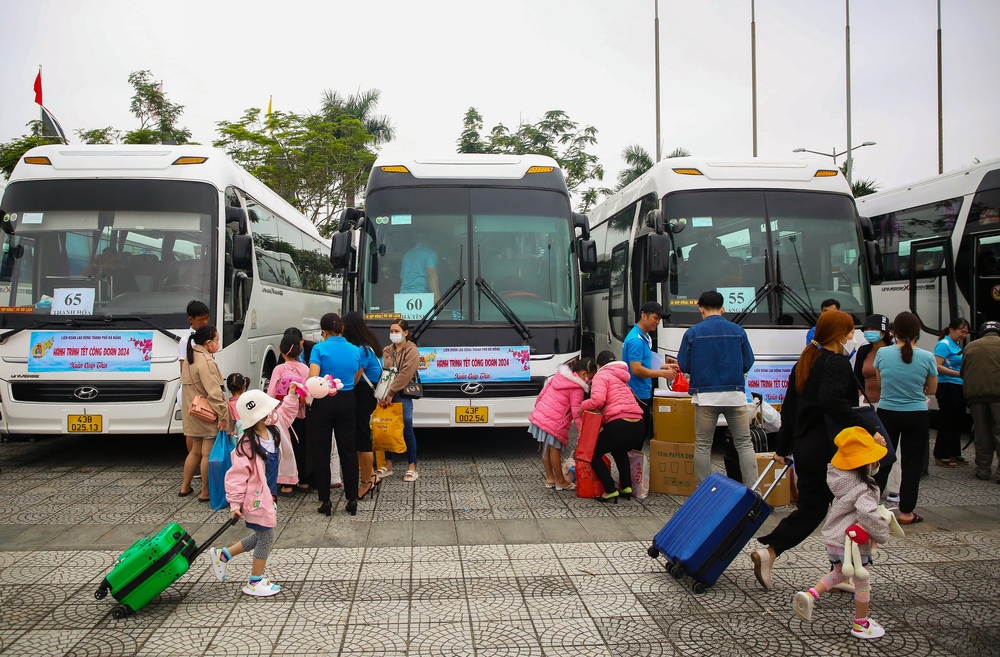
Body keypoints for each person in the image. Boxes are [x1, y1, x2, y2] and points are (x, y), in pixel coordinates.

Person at [751, 310, 884, 590]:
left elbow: (789, 408)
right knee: (843, 511)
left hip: (807, 447)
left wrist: (783, 447)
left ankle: (779, 554)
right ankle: (835, 570)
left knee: (817, 508)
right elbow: (834, 403)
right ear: (838, 334)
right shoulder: (835, 363)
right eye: (849, 331)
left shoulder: (806, 361)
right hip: (833, 450)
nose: (853, 335)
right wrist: (871, 431)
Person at [791, 426, 892, 640]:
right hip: (852, 543)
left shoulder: (840, 480)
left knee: (838, 573)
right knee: (862, 582)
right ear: (867, 462)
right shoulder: (866, 487)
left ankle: (811, 595)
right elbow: (867, 514)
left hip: (832, 539)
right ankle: (861, 624)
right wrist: (882, 531)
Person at [208, 390, 285, 597]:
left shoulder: (272, 433)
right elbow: (236, 477)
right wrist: (234, 504)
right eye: (267, 409)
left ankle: (223, 555)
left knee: (260, 535)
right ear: (258, 415)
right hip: (255, 500)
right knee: (266, 538)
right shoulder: (246, 445)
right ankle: (254, 581)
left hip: (268, 497)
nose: (272, 412)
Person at [677, 290, 757, 487]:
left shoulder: (692, 333)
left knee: (704, 445)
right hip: (735, 396)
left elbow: (684, 365)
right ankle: (754, 491)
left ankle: (703, 491)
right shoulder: (738, 331)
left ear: (701, 308)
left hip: (705, 398)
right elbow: (748, 361)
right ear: (723, 308)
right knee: (744, 443)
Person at [872, 312, 937, 525]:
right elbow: (932, 389)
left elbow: (881, 385)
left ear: (893, 332)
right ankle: (907, 512)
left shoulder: (882, 353)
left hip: (888, 413)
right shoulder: (927, 357)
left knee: (883, 460)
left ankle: (871, 508)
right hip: (916, 415)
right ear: (918, 332)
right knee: (912, 464)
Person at [307, 313, 361, 516]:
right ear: (342, 328)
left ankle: (325, 501)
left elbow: (313, 379)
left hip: (323, 402)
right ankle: (352, 498)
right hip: (347, 400)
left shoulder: (319, 349)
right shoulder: (355, 350)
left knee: (321, 451)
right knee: (348, 449)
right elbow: (355, 379)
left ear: (323, 331)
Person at [580, 351, 645, 503]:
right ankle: (626, 487)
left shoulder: (601, 376)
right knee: (619, 450)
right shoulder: (621, 377)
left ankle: (610, 490)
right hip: (638, 425)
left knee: (593, 454)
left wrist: (582, 406)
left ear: (599, 366)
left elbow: (597, 401)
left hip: (620, 424)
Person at [528, 357, 597, 491]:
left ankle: (550, 478)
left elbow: (542, 393)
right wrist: (582, 432)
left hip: (543, 414)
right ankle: (560, 480)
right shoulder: (576, 388)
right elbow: (577, 413)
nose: (589, 382)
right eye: (590, 378)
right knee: (555, 450)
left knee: (545, 448)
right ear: (583, 374)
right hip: (555, 421)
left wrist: (539, 410)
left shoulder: (558, 376)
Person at [179, 325, 229, 501]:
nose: (218, 343)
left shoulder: (189, 357)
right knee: (207, 454)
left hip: (192, 411)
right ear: (209, 343)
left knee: (194, 452)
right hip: (207, 413)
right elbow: (214, 392)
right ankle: (205, 492)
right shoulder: (206, 361)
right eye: (216, 340)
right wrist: (223, 414)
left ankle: (185, 487)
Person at [853, 313, 899, 501]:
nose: (869, 333)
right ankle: (870, 485)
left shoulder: (893, 350)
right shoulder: (864, 351)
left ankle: (895, 488)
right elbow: (857, 376)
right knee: (870, 445)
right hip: (867, 403)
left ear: (884, 332)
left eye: (873, 330)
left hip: (888, 402)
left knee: (891, 445)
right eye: (867, 330)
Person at [622, 301, 679, 443]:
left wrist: (665, 366)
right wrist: (662, 374)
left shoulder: (643, 336)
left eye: (659, 319)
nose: (658, 322)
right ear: (644, 316)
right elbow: (636, 369)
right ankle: (632, 464)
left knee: (641, 435)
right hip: (637, 394)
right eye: (655, 318)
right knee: (637, 437)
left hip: (642, 392)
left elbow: (646, 362)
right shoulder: (636, 340)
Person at [343, 311, 384, 500]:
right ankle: (372, 475)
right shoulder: (371, 345)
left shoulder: (360, 350)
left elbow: (355, 377)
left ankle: (366, 481)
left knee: (362, 440)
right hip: (370, 395)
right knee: (363, 437)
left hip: (362, 396)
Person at [267, 334, 310, 495]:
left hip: (282, 414)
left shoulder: (279, 369)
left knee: (285, 448)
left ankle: (287, 484)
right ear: (299, 350)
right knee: (301, 446)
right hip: (300, 412)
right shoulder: (305, 369)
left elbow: (271, 393)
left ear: (281, 351)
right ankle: (304, 481)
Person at [378, 319, 420, 481]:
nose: (393, 334)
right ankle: (388, 464)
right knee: (387, 427)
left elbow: (406, 373)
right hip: (387, 393)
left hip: (402, 393)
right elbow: (385, 373)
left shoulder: (412, 350)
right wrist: (383, 394)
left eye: (396, 331)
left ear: (405, 333)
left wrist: (391, 391)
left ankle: (412, 466)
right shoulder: (387, 350)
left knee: (407, 427)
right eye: (391, 331)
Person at [961, 320, 1000, 482]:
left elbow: (963, 372)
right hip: (998, 396)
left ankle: (983, 471)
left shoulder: (970, 347)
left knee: (981, 433)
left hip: (976, 396)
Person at [178, 300, 210, 485]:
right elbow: (183, 370)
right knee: (192, 432)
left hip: (201, 390)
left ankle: (195, 470)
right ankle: (195, 464)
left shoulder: (203, 335)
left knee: (200, 432)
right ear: (191, 319)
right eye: (201, 319)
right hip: (191, 391)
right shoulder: (186, 340)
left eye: (207, 318)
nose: (205, 322)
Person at [933, 318, 971, 466]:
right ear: (951, 329)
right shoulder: (943, 344)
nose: (964, 335)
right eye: (962, 331)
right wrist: (957, 374)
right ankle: (941, 454)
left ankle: (954, 452)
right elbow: (937, 365)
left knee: (958, 419)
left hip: (959, 385)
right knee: (947, 419)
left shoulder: (956, 344)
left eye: (966, 333)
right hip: (947, 385)